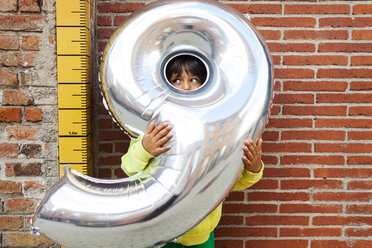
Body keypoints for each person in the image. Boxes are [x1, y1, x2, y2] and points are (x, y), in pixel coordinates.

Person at [121, 55, 264, 248]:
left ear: (206, 84)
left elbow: (229, 183)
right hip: (155, 232)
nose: (186, 87)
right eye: (177, 80)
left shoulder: (217, 128)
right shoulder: (153, 126)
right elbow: (130, 169)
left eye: (193, 80)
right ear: (167, 85)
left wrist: (253, 169)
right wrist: (145, 149)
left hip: (199, 236)